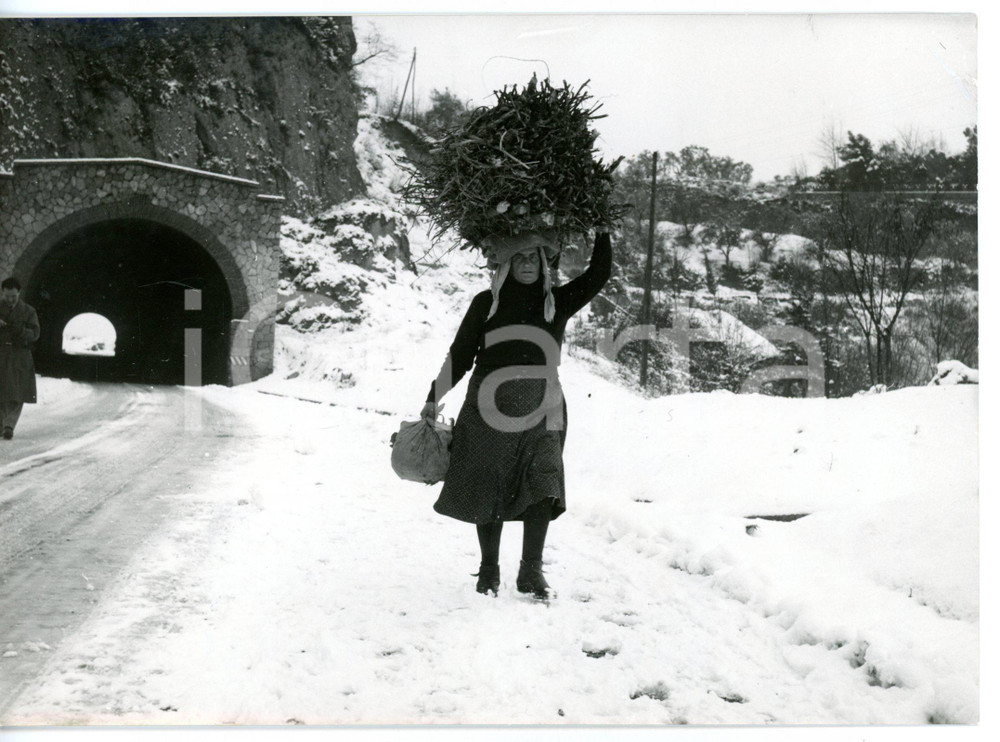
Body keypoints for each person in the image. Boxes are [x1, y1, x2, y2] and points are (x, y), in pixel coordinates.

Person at [421, 227, 612, 598]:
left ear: (544, 264)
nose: (527, 264)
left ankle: (531, 572)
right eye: (519, 257)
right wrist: (434, 396)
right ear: (506, 264)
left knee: (544, 482)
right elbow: (460, 354)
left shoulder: (557, 301)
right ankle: (489, 570)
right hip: (488, 403)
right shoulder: (485, 304)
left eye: (534, 258)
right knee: (488, 482)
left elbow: (598, 275)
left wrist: (602, 229)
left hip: (544, 403)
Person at [0, 277, 41, 440]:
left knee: (18, 391)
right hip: (1, 353)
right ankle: (2, 423)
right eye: (6, 296)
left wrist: (20, 331)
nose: (10, 300)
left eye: (13, 296)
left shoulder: (29, 311)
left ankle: (9, 425)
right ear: (2, 293)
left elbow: (35, 334)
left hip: (19, 356)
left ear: (19, 293)